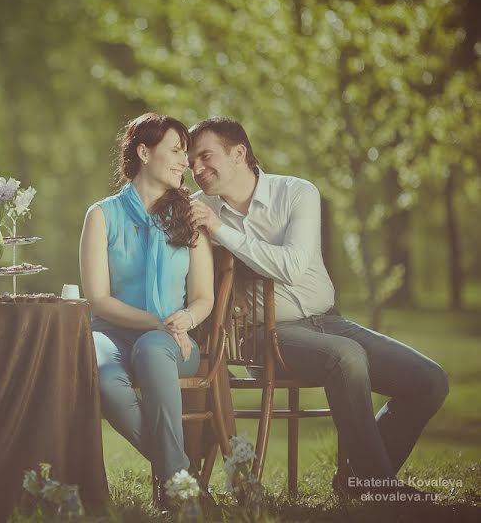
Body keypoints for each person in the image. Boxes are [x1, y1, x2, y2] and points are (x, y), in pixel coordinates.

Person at [187, 116, 449, 498]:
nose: (196, 168)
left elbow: (293, 266)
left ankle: (357, 481)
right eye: (191, 160)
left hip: (329, 321)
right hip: (262, 336)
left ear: (239, 153)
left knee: (430, 381)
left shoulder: (297, 193)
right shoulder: (197, 209)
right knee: (346, 358)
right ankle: (380, 489)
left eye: (205, 156)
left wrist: (221, 232)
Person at [79, 113, 215, 499]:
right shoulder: (102, 215)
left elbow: (204, 296)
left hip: (174, 341)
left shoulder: (190, 217)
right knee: (103, 376)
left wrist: (185, 319)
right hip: (111, 333)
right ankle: (181, 479)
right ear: (143, 152)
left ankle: (178, 485)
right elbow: (98, 299)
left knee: (153, 351)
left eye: (184, 154)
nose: (185, 162)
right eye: (175, 151)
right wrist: (156, 322)